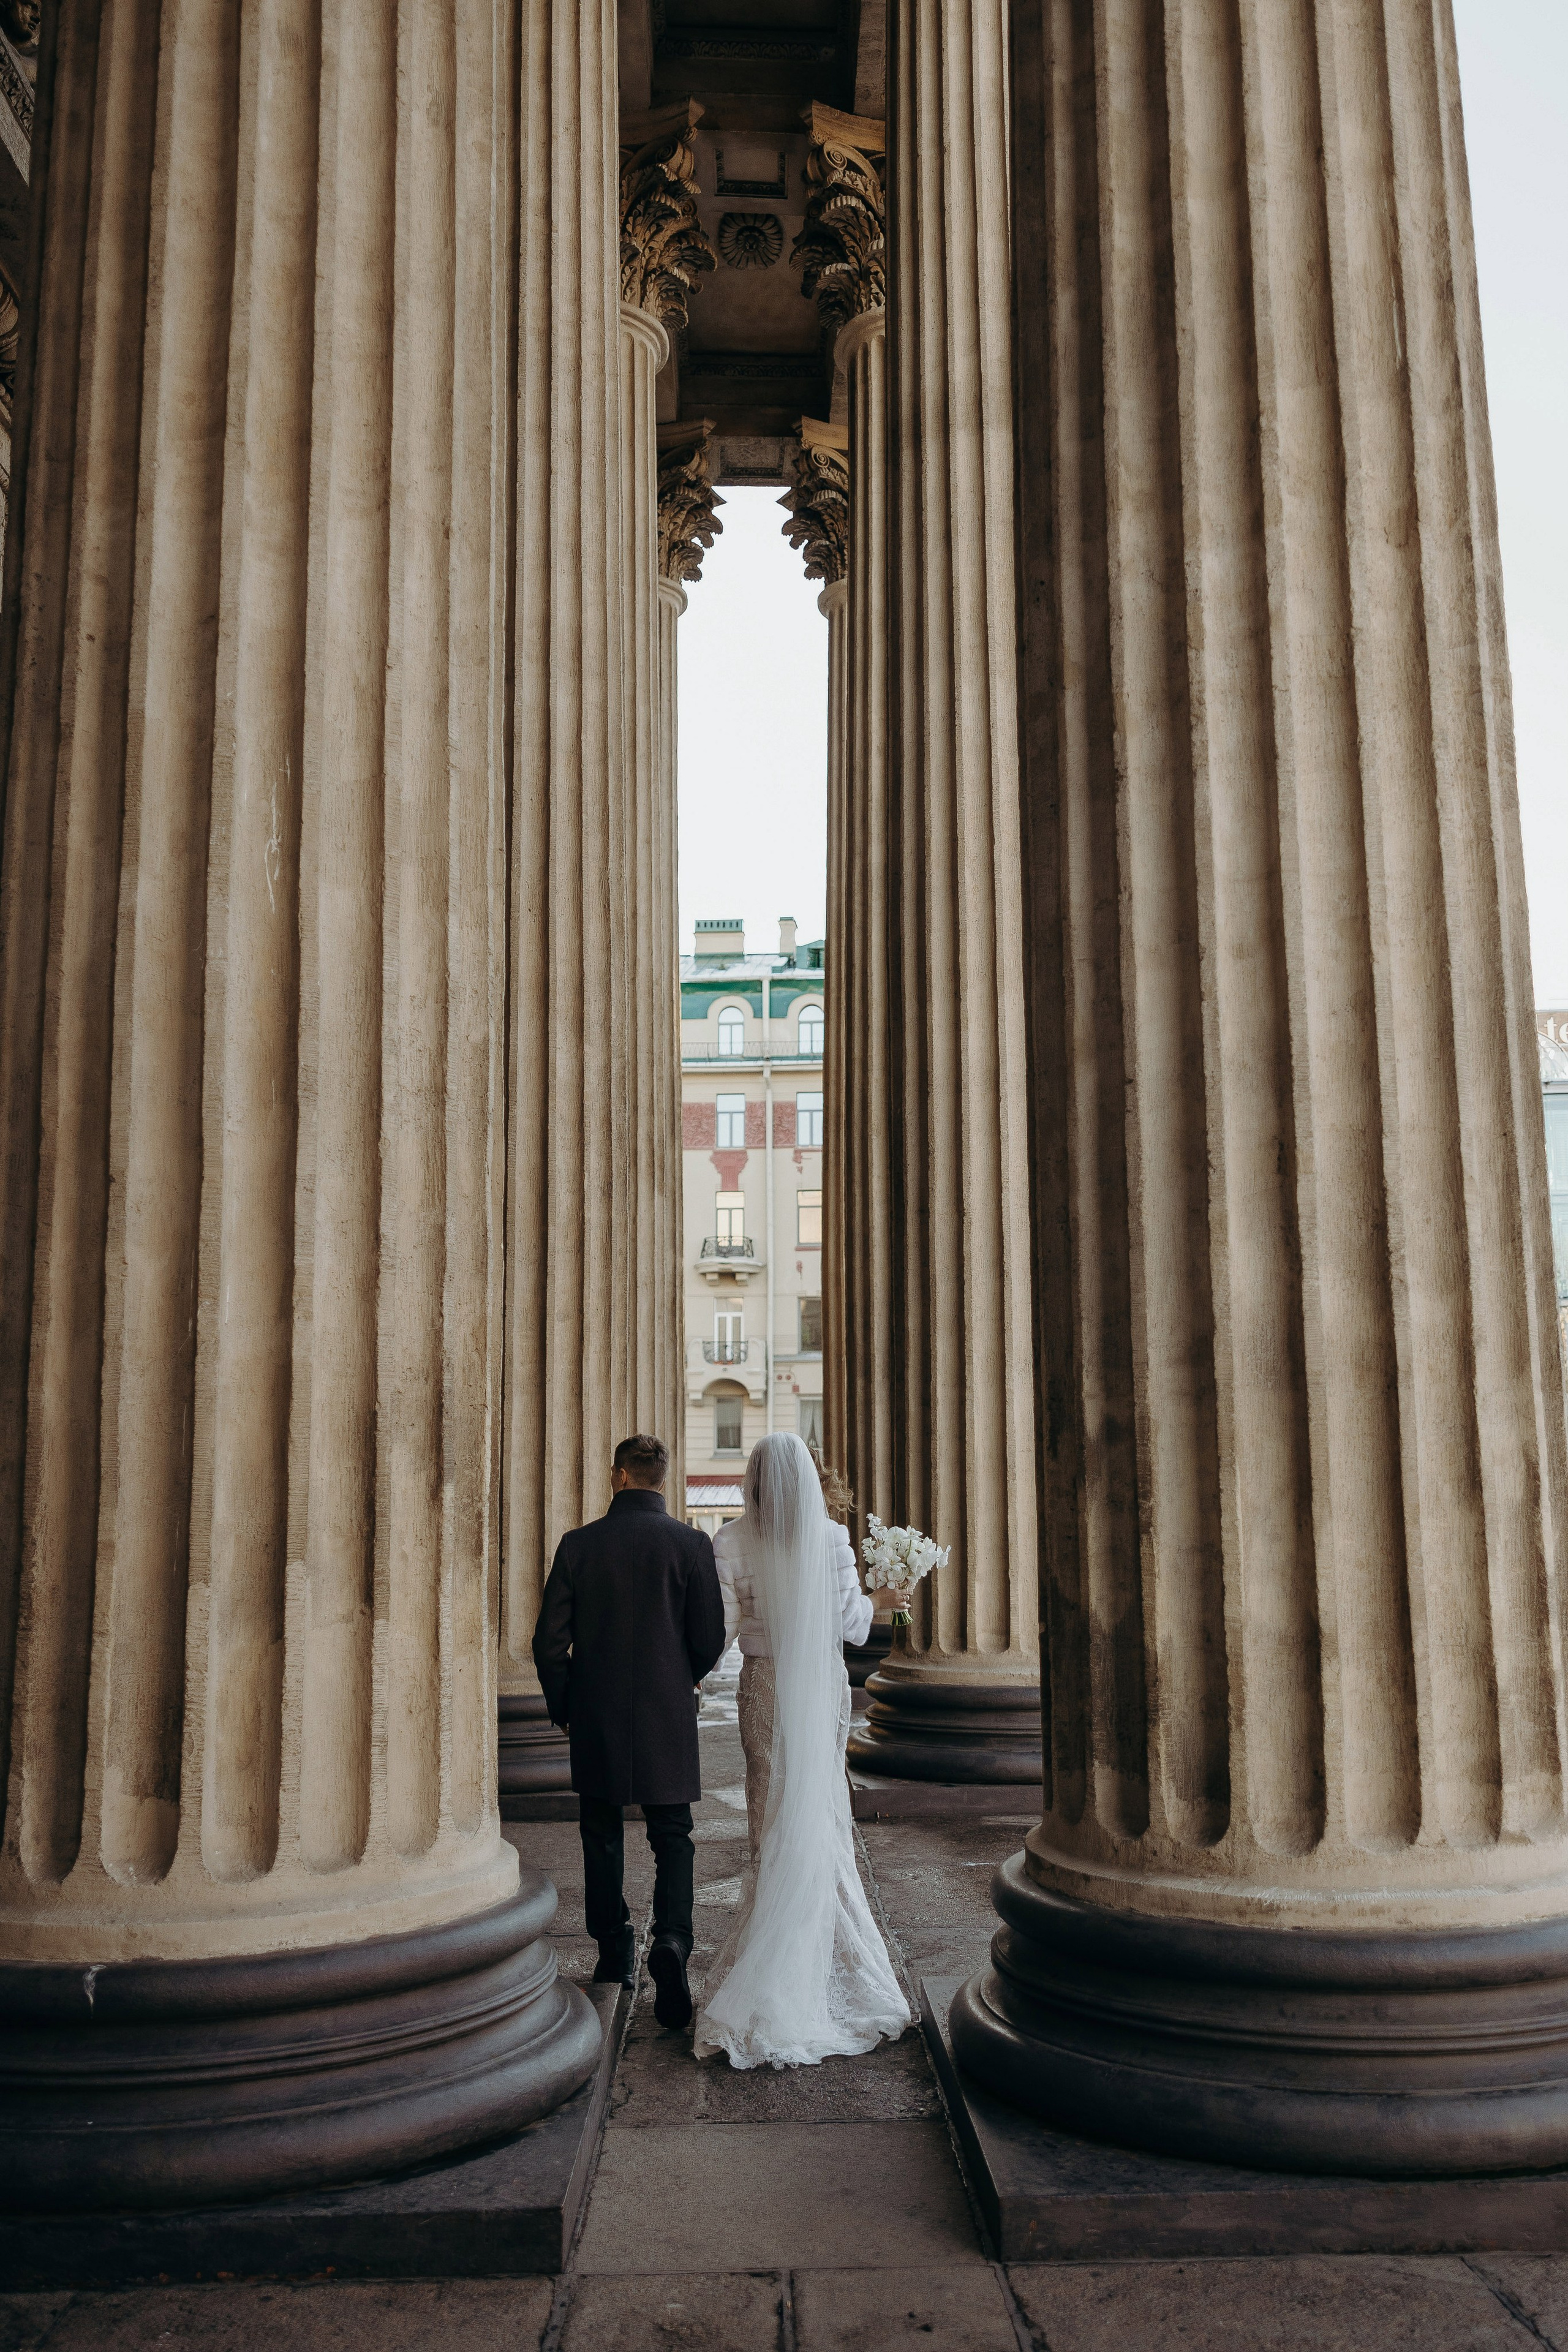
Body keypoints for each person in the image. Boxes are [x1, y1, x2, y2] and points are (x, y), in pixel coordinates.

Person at [694, 1431, 911, 2069]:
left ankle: (767, 1936)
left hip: (763, 1681)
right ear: (808, 1478)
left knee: (766, 1799)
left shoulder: (730, 1541)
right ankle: (817, 1948)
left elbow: (722, 1630)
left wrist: (690, 1676)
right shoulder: (831, 1539)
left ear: (753, 1480)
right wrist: (882, 1601)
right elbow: (849, 1626)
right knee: (815, 1802)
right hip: (817, 1683)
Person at [533, 1433, 726, 2030]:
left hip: (598, 1710)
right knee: (674, 1835)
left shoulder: (579, 1545)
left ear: (618, 1476)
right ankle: (671, 1940)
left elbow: (548, 1642)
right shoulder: (691, 1544)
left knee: (601, 1830)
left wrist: (566, 1705)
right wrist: (679, 1681)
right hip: (666, 1710)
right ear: (662, 1479)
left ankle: (613, 1947)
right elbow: (709, 1636)